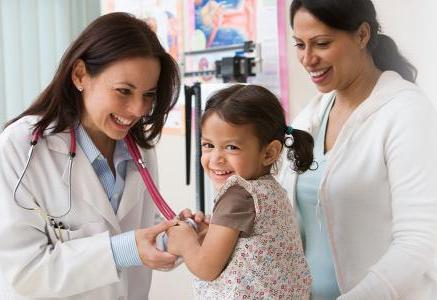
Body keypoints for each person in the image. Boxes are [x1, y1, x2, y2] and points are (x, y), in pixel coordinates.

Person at [0, 12, 205, 299]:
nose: (138, 110)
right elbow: (24, 271)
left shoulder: (139, 148)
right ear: (80, 74)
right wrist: (122, 250)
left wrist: (175, 238)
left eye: (148, 94)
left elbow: (141, 240)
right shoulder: (22, 148)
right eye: (124, 91)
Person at [279, 0, 437, 299]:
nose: (307, 59)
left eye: (321, 43)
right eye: (300, 44)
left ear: (362, 35)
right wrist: (214, 239)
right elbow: (285, 217)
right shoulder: (311, 117)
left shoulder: (406, 113)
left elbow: (415, 243)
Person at [165, 84, 313, 299]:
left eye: (231, 147)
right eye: (208, 145)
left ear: (270, 153)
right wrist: (208, 232)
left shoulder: (237, 195)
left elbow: (206, 268)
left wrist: (185, 241)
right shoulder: (269, 188)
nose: (215, 158)